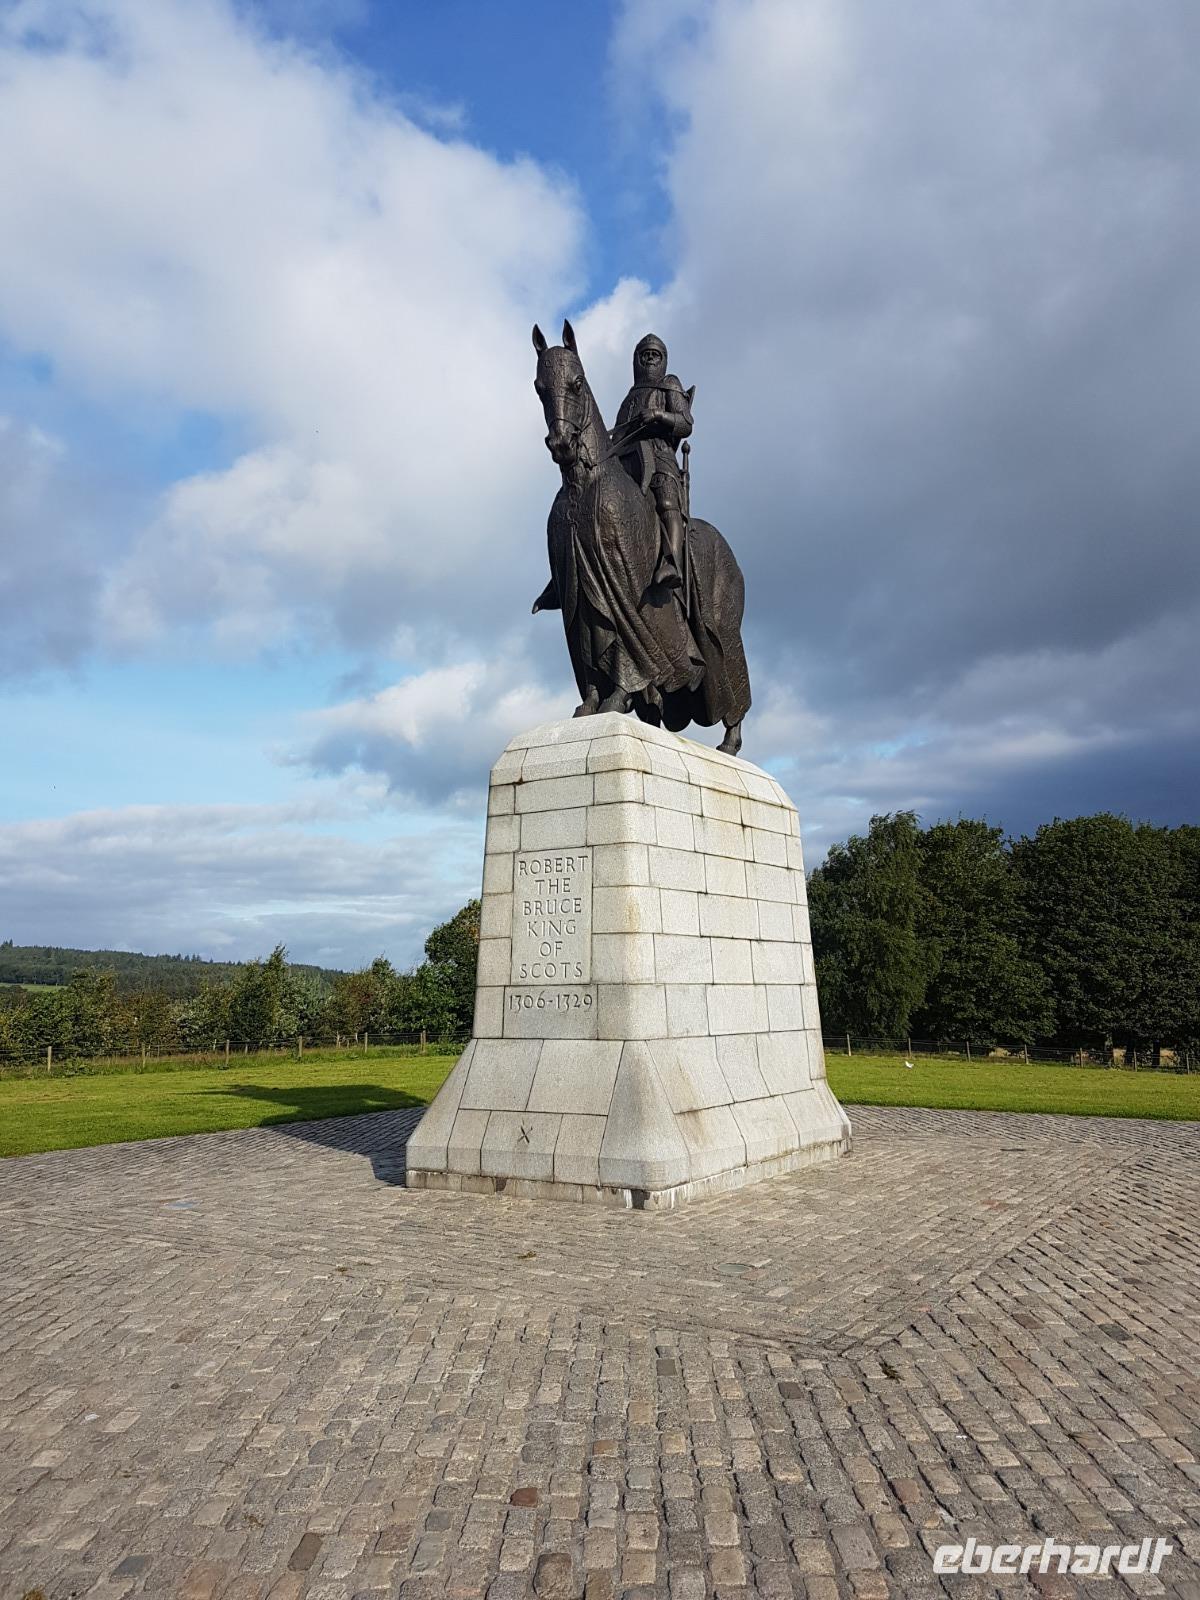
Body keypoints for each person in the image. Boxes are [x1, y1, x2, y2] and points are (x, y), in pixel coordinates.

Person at [612, 333, 693, 593]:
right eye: (644, 354)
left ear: (663, 360)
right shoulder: (630, 397)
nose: (649, 359)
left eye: (654, 355)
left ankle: (672, 563)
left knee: (667, 500)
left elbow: (686, 423)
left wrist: (659, 415)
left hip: (660, 455)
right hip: (627, 459)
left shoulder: (669, 384)